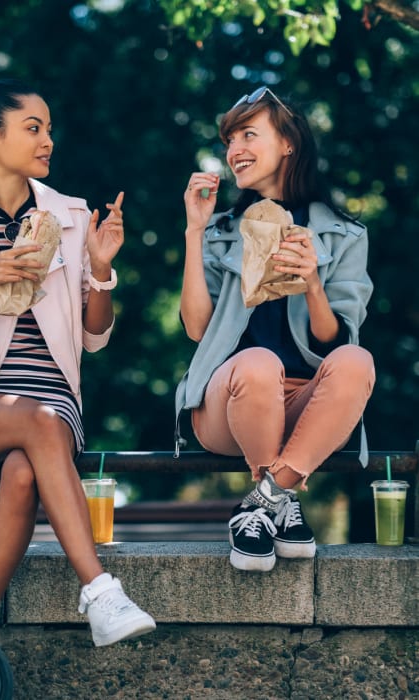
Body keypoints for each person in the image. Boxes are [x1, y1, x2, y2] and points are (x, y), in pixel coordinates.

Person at [0, 78, 155, 646]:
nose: (48, 140)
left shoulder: (70, 214)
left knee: (25, 471)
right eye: (33, 128)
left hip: (53, 397)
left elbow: (94, 339)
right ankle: (100, 590)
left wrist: (100, 269)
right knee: (36, 424)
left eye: (49, 128)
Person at [175, 86, 376, 572]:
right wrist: (195, 230)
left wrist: (311, 284)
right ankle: (278, 502)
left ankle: (265, 504)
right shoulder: (223, 228)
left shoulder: (345, 234)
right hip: (229, 401)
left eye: (249, 134)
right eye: (229, 139)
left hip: (307, 408)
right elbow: (197, 328)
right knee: (259, 363)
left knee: (357, 360)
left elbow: (336, 340)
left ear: (288, 143)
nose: (234, 149)